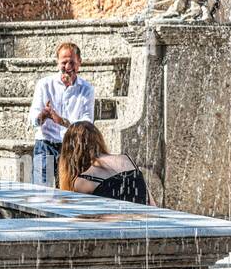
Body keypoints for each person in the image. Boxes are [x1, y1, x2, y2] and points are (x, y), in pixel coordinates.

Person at [28, 42, 95, 186]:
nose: (68, 67)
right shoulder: (44, 84)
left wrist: (62, 121)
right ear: (57, 63)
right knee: (40, 192)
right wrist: (43, 116)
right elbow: (33, 119)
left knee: (67, 195)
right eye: (64, 62)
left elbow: (87, 124)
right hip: (45, 144)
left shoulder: (87, 89)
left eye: (72, 62)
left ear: (79, 63)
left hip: (71, 148)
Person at [58, 121, 150, 203]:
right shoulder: (127, 160)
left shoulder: (83, 181)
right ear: (99, 140)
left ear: (70, 152)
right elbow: (151, 203)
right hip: (145, 220)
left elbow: (82, 219)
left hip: (114, 222)